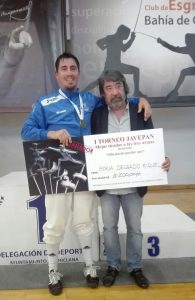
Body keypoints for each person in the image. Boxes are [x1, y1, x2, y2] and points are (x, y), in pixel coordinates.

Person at [21, 52, 152, 295]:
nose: (69, 72)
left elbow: (117, 100)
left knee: (85, 221)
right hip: (55, 170)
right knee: (55, 223)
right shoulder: (44, 102)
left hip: (86, 169)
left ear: (78, 72)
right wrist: (50, 133)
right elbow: (26, 130)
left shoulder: (90, 100)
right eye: (64, 68)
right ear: (57, 74)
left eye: (73, 68)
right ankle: (52, 270)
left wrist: (140, 101)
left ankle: (90, 267)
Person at [91, 70, 170, 289]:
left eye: (117, 86)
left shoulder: (139, 111)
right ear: (103, 94)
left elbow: (151, 144)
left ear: (125, 88)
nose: (114, 92)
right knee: (109, 229)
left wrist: (162, 160)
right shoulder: (96, 115)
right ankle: (113, 265)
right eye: (108, 88)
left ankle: (135, 266)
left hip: (134, 187)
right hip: (107, 187)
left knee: (135, 228)